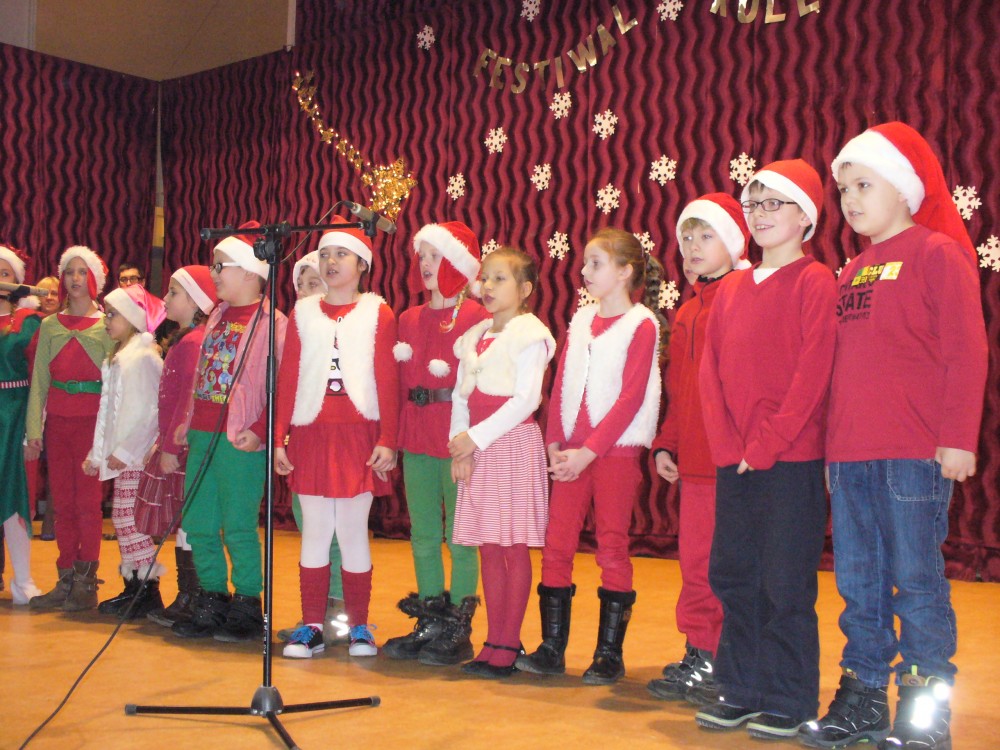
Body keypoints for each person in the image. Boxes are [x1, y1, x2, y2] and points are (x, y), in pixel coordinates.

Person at [799, 122, 988, 750]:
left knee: (917, 581)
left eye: (864, 185)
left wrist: (958, 436)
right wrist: (830, 452)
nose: (850, 199)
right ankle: (863, 696)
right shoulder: (851, 270)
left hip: (913, 454)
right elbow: (838, 369)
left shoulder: (937, 253)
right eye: (844, 188)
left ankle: (926, 705)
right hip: (851, 456)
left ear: (904, 188)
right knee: (858, 583)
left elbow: (966, 350)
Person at [694, 160, 836, 740]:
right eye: (753, 204)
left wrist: (769, 443)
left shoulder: (815, 281)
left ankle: (788, 696)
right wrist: (730, 445)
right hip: (737, 461)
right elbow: (710, 373)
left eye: (774, 203)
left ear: (806, 216)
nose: (760, 214)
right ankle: (741, 688)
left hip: (790, 461)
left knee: (784, 582)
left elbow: (812, 372)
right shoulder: (731, 287)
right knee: (734, 574)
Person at [516, 229, 664, 685]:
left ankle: (608, 654)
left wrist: (589, 452)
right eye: (584, 263)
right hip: (570, 453)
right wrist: (555, 441)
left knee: (612, 545)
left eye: (595, 264)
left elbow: (630, 398)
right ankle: (552, 648)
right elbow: (561, 383)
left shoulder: (642, 324)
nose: (584, 271)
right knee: (556, 544)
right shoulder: (581, 320)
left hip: (613, 452)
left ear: (624, 272)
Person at [274, 218, 398, 659]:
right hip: (311, 433)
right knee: (314, 530)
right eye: (325, 254)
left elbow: (388, 378)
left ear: (362, 264)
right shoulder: (303, 313)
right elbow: (289, 377)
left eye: (341, 254)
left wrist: (388, 437)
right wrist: (279, 436)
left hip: (358, 434)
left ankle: (360, 626)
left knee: (351, 530)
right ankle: (311, 626)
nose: (331, 262)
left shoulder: (378, 312)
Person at [645, 195, 750, 703]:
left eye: (706, 236)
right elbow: (680, 389)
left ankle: (727, 657)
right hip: (694, 466)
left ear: (732, 241)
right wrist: (666, 443)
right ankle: (700, 650)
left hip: (733, 463)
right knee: (695, 563)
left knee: (727, 565)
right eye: (686, 237)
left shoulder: (744, 298)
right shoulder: (687, 310)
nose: (692, 246)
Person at [172, 222, 287, 642]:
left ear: (251, 272)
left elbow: (280, 386)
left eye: (221, 266)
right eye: (213, 265)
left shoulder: (273, 323)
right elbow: (202, 375)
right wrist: (188, 420)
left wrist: (260, 429)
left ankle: (248, 602)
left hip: (240, 438)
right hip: (203, 433)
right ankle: (212, 596)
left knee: (238, 524)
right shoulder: (217, 317)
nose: (214, 273)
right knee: (199, 521)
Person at [384, 221, 490, 666]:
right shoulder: (407, 318)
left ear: (456, 262)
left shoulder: (478, 317)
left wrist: (474, 439)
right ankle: (430, 618)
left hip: (457, 438)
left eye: (435, 255)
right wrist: (391, 440)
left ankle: (458, 628)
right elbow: (394, 385)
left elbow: (484, 385)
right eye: (422, 255)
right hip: (417, 436)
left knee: (460, 536)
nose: (425, 263)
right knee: (423, 534)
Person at [449, 246, 556, 679]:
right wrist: (459, 445)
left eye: (500, 278)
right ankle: (492, 641)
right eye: (485, 278)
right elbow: (461, 396)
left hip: (510, 445)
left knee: (512, 545)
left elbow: (526, 400)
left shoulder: (530, 335)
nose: (488, 286)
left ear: (525, 289)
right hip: (477, 447)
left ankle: (509, 642)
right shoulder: (474, 337)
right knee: (488, 546)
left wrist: (474, 439)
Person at [27, 246, 114, 611]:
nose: (75, 278)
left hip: (92, 424)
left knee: (88, 505)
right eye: (69, 272)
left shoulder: (107, 324)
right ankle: (65, 578)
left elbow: (115, 384)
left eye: (82, 271)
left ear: (94, 278)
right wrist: (34, 430)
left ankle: (86, 583)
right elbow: (39, 380)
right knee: (62, 503)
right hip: (58, 423)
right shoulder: (50, 326)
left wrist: (110, 435)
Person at [274, 251, 350, 648]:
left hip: (339, 439)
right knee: (311, 526)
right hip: (305, 439)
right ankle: (315, 613)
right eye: (300, 285)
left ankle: (338, 611)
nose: (304, 292)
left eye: (313, 284)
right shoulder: (297, 330)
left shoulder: (345, 329)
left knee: (337, 529)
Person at [84, 284, 165, 619]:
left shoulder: (143, 357)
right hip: (122, 455)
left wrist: (128, 449)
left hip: (137, 455)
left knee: (130, 520)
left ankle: (147, 590)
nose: (107, 320)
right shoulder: (120, 356)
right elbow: (109, 410)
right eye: (106, 314)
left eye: (113, 314)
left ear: (132, 318)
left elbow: (152, 411)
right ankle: (134, 586)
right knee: (122, 519)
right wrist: (97, 453)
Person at [144, 266, 218, 628]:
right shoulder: (187, 339)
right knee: (187, 520)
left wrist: (171, 444)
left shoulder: (193, 343)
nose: (166, 299)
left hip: (184, 445)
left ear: (195, 301)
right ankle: (188, 594)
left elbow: (186, 399)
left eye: (173, 292)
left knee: (190, 520)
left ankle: (193, 595)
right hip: (179, 443)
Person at [0, 244, 44, 604]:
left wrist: (33, 429)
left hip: (14, 417)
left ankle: (23, 580)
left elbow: (39, 378)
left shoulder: (29, 323)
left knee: (15, 498)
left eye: (5, 274)